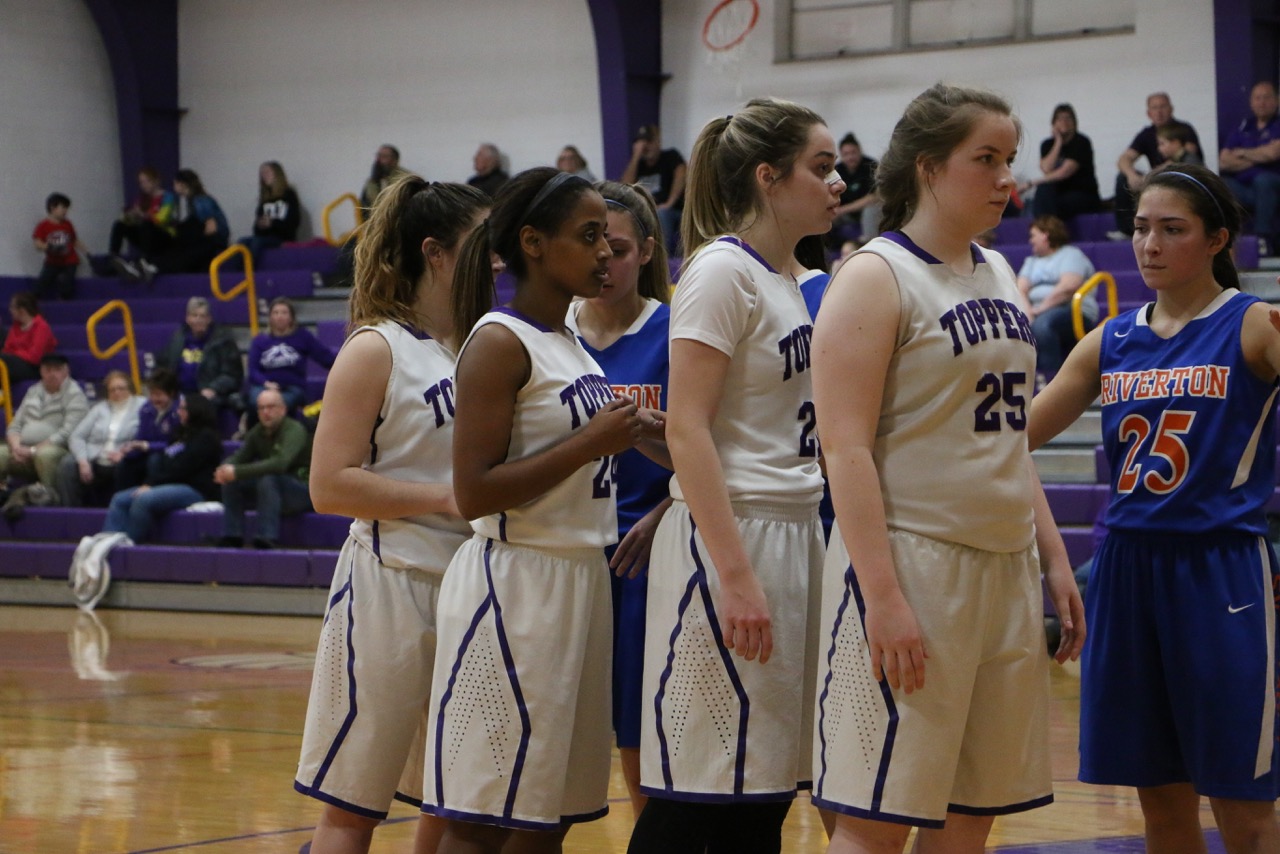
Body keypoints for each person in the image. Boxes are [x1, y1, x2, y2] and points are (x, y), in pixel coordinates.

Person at [809, 83, 1083, 853]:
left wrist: (1054, 557)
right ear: (929, 167)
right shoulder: (876, 275)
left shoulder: (999, 271)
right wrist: (882, 595)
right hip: (914, 562)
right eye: (985, 159)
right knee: (877, 819)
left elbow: (1007, 438)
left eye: (1009, 159)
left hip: (1004, 564)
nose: (1006, 178)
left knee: (970, 818)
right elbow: (844, 448)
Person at [1028, 162, 1280, 853]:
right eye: (1142, 228)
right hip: (1126, 570)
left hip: (1220, 571)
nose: (1150, 245)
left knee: (1243, 803)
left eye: (1172, 230)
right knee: (1160, 802)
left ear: (1216, 240)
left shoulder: (1254, 323)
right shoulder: (1110, 339)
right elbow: (1012, 436)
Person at [628, 97, 841, 854]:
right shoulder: (722, 270)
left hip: (796, 531)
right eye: (820, 167)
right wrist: (737, 576)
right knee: (697, 790)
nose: (838, 183)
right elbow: (687, 427)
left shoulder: (797, 282)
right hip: (731, 539)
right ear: (767, 177)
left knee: (763, 789)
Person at [421, 167, 647, 853]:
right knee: (481, 817)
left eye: (607, 239)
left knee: (548, 813)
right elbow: (474, 491)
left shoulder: (569, 341)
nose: (604, 252)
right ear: (533, 243)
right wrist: (591, 443)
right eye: (589, 236)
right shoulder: (498, 341)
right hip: (515, 585)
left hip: (580, 578)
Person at [293, 175, 490, 854]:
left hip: (470, 589)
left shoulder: (479, 345)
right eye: (480, 244)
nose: (495, 259)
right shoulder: (376, 348)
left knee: (446, 796)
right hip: (390, 586)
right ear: (435, 253)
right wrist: (442, 497)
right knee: (355, 805)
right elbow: (328, 485)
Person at [564, 180, 672, 820]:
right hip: (565, 549)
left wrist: (669, 511)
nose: (604, 261)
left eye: (620, 248)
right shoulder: (549, 335)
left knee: (639, 736)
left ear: (647, 251)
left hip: (644, 556)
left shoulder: (677, 331)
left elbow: (715, 449)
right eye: (592, 244)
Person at [100, 394, 220, 543]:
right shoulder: (180, 433)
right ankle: (107, 542)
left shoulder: (206, 438)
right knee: (119, 499)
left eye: (183, 409)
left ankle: (129, 543)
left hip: (194, 489)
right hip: (168, 484)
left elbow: (182, 468)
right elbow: (166, 460)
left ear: (195, 411)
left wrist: (151, 484)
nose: (178, 412)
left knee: (143, 499)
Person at [212, 388, 311, 549]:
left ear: (283, 409)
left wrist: (236, 472)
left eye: (271, 407)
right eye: (261, 408)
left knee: (267, 478)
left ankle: (267, 536)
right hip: (272, 491)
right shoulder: (257, 432)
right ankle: (232, 535)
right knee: (232, 480)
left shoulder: (294, 430)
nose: (266, 412)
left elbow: (279, 464)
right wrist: (224, 469)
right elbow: (239, 457)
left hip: (301, 490)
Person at [1016, 214, 1098, 376]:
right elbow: (1020, 289)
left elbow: (1068, 286)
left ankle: (1050, 379)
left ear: (1045, 235)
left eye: (1033, 236)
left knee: (1043, 325)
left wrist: (1040, 310)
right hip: (1037, 312)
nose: (1030, 241)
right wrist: (1028, 314)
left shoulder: (1070, 254)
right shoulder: (1031, 261)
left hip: (1073, 310)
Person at [1114, 92, 1201, 237]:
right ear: (1149, 113)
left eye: (1163, 107)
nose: (1159, 112)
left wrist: (1155, 174)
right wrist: (1131, 175)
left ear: (1171, 109)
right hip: (1157, 180)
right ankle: (1127, 230)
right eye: (1155, 108)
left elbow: (1187, 156)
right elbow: (1124, 158)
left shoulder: (1184, 129)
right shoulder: (1146, 134)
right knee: (1122, 178)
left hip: (1179, 181)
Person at [0, 353, 88, 492]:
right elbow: (14, 426)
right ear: (41, 371)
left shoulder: (75, 395)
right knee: (1, 453)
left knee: (45, 455)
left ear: (66, 371)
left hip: (59, 449)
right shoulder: (33, 391)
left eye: (57, 369)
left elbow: (68, 433)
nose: (52, 374)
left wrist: (33, 450)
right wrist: (16, 448)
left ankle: (51, 498)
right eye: (48, 370)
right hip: (23, 448)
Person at [244, 297, 336, 426]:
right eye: (276, 313)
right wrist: (266, 384)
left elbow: (325, 357)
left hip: (292, 388)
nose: (280, 316)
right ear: (270, 317)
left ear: (291, 317)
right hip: (264, 387)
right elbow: (253, 371)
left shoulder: (303, 336)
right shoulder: (259, 341)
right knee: (258, 401)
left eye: (284, 312)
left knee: (278, 405)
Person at [57, 370, 142, 507]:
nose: (117, 392)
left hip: (122, 456)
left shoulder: (142, 406)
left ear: (131, 389)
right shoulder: (100, 408)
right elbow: (76, 436)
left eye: (121, 388)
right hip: (94, 456)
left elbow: (144, 437)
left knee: (127, 466)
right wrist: (83, 461)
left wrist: (126, 453)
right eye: (112, 390)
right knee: (67, 464)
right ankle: (71, 512)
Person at [1220, 80, 1280, 254]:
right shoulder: (1244, 125)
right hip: (1245, 187)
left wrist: (1242, 153)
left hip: (1272, 183)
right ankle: (1227, 243)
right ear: (1251, 102)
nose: (1262, 102)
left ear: (1276, 100)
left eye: (1267, 97)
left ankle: (1262, 238)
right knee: (1220, 183)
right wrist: (1260, 155)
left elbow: (1273, 154)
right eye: (1257, 98)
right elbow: (1224, 160)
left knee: (1263, 181)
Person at [156, 297, 243, 412]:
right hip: (180, 393)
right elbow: (164, 366)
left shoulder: (223, 341)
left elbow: (232, 375)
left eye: (203, 316)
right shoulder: (177, 339)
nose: (198, 320)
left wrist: (213, 388)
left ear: (209, 319)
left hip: (210, 394)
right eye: (194, 315)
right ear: (188, 319)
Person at [140, 168, 230, 279]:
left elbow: (211, 228)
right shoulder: (192, 201)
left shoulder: (200, 200)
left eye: (175, 183)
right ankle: (151, 265)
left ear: (182, 184)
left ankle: (153, 266)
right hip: (208, 240)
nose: (173, 186)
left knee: (182, 241)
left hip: (213, 242)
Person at [1025, 103, 1101, 220]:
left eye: (1068, 118)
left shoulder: (1081, 142)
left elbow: (1064, 172)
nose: (1064, 122)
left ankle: (1049, 229)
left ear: (1074, 122)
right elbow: (1046, 169)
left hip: (1082, 194)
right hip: (1057, 193)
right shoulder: (1047, 144)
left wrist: (1031, 183)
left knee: (1047, 198)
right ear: (1053, 123)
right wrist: (1058, 142)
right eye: (1059, 119)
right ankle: (1045, 228)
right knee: (1042, 191)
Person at [621, 124, 687, 254]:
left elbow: (681, 175)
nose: (646, 146)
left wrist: (669, 203)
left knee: (661, 214)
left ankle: (663, 256)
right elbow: (624, 188)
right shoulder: (638, 166)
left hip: (671, 212)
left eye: (649, 141)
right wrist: (636, 156)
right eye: (642, 142)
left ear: (658, 141)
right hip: (646, 212)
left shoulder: (670, 156)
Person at [114, 368, 182, 491]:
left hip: (170, 455)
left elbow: (178, 444)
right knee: (124, 463)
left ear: (171, 393)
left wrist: (148, 446)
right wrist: (129, 450)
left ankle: (153, 496)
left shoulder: (180, 412)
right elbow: (141, 437)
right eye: (151, 394)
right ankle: (124, 497)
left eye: (158, 394)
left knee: (154, 460)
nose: (154, 398)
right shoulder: (146, 409)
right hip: (148, 452)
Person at [108, 166, 176, 274]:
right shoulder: (143, 200)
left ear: (156, 181)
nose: (144, 185)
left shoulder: (168, 197)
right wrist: (129, 216)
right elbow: (130, 220)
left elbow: (161, 219)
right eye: (141, 182)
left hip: (164, 235)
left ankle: (145, 261)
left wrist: (142, 215)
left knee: (146, 224)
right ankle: (113, 258)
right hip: (146, 235)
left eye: (147, 181)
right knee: (120, 224)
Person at [238, 161, 301, 266]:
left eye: (267, 172)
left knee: (257, 242)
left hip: (283, 237)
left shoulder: (289, 195)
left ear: (277, 174)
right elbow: (256, 229)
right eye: (262, 174)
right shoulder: (264, 199)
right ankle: (237, 272)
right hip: (265, 236)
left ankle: (248, 271)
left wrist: (272, 223)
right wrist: (260, 225)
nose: (264, 176)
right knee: (242, 241)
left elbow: (294, 222)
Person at [32, 192, 88, 301]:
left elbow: (74, 240)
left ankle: (64, 300)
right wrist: (50, 247)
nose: (65, 211)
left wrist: (87, 252)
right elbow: (37, 243)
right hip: (52, 261)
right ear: (53, 207)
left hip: (69, 260)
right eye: (63, 207)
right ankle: (33, 301)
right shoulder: (43, 226)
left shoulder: (68, 224)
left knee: (67, 284)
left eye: (67, 208)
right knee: (42, 283)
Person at [830, 132, 880, 245]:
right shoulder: (837, 170)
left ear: (859, 151)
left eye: (853, 152)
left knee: (871, 210)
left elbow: (874, 197)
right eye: (846, 154)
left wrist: (842, 210)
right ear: (841, 155)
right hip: (846, 215)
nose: (850, 157)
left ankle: (868, 243)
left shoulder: (871, 165)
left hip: (866, 212)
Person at [1, 292, 58, 383]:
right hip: (16, 363)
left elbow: (35, 357)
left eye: (12, 307)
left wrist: (15, 353)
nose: (10, 310)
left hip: (34, 367)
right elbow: (7, 349)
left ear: (22, 310)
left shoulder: (41, 327)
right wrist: (17, 353)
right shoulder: (16, 327)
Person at [360, 144, 408, 209]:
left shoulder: (405, 178)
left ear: (395, 160)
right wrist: (374, 182)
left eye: (384, 156)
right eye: (378, 155)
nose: (379, 160)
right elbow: (366, 204)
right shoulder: (372, 181)